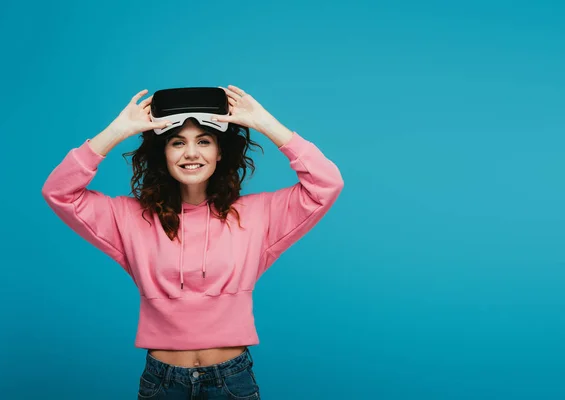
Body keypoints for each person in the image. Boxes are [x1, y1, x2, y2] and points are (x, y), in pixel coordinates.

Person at [41, 85, 344, 399]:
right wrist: (117, 131)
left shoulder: (256, 215)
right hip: (163, 382)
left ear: (219, 151)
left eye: (203, 141)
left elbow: (326, 184)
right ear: (164, 153)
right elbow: (59, 193)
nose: (191, 153)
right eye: (177, 142)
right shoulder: (130, 218)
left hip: (232, 379)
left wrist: (265, 123)